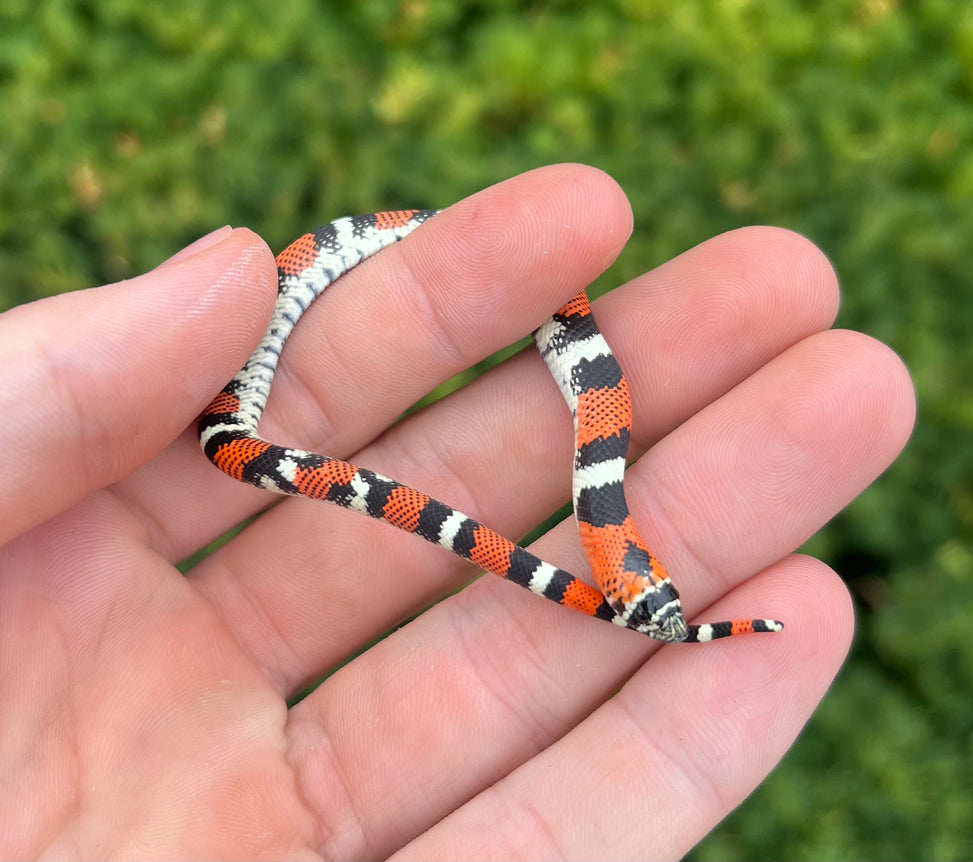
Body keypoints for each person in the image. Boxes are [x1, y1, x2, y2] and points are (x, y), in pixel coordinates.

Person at [0, 164, 913, 859]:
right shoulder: (604, 452)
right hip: (241, 427)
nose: (642, 593)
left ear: (615, 553)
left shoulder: (607, 455)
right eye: (643, 591)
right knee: (240, 437)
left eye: (638, 598)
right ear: (615, 555)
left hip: (259, 442)